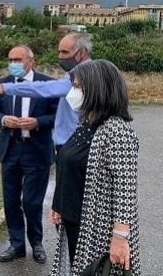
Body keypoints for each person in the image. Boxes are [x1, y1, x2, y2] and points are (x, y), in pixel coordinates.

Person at [49, 60, 140, 275]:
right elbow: (68, 164)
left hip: (98, 228)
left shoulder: (116, 130)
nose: (72, 92)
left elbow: (125, 189)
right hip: (75, 220)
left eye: (78, 87)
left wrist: (120, 238)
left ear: (96, 89)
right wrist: (58, 204)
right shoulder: (87, 125)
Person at [0, 45, 59, 264]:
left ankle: (36, 243)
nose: (13, 64)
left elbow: (57, 115)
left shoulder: (47, 84)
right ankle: (16, 244)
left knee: (31, 202)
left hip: (36, 150)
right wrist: (3, 120)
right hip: (10, 149)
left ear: (31, 61)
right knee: (10, 201)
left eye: (18, 59)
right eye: (10, 59)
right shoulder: (3, 84)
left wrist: (38, 122)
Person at [0, 32, 92, 150]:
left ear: (82, 53)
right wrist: (4, 119)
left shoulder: (83, 76)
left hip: (71, 144)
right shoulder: (80, 74)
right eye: (11, 60)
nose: (60, 56)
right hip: (13, 148)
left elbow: (45, 89)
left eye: (65, 52)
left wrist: (6, 88)